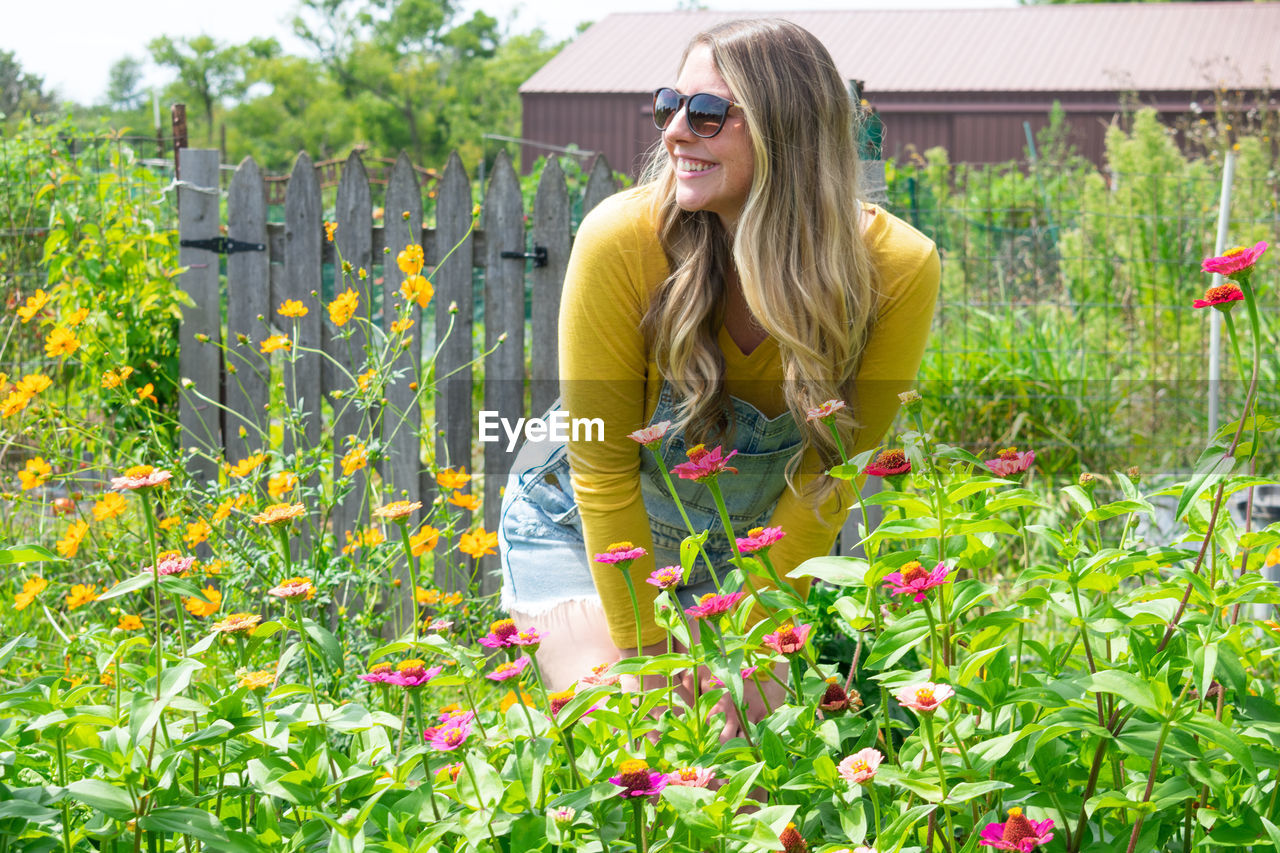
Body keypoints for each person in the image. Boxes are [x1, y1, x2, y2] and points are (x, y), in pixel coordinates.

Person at [496, 18, 939, 738]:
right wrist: (648, 652)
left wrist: (759, 636)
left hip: (750, 551)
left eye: (707, 114)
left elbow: (835, 468)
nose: (675, 131)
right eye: (669, 105)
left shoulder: (897, 268)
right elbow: (601, 468)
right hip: (582, 529)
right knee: (640, 732)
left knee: (748, 752)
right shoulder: (622, 240)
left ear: (788, 133)